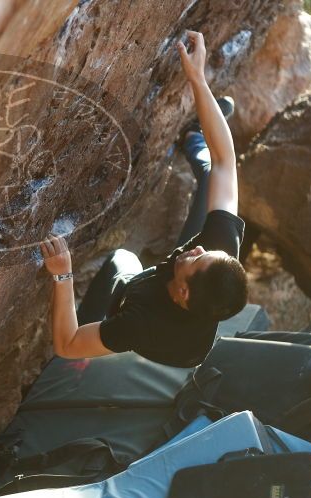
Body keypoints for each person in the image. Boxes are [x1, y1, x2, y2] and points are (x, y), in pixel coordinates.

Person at [40, 30, 248, 368]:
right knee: (212, 174)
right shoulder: (217, 255)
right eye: (204, 252)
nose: (196, 249)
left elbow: (68, 343)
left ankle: (88, 360)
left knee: (122, 262)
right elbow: (226, 161)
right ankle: (195, 137)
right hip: (180, 296)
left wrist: (62, 275)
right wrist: (197, 78)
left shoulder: (142, 323)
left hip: (164, 340)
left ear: (183, 293)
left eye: (195, 259)